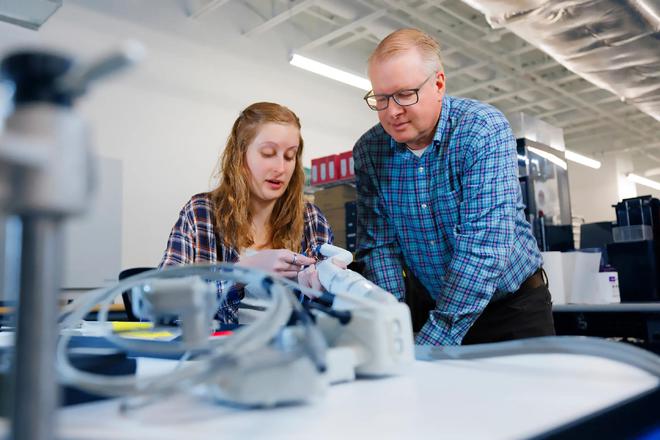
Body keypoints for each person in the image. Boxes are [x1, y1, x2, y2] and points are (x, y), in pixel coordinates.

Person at [353, 28, 554, 346]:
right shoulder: (370, 151)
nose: (392, 111)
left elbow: (483, 247)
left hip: (512, 310)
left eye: (405, 94)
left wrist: (430, 343)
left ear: (438, 84)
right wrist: (392, 325)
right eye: (381, 98)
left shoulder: (481, 130)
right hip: (435, 308)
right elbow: (379, 246)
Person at [159, 102, 333, 324]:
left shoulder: (312, 219)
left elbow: (327, 314)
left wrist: (332, 285)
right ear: (240, 157)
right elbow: (162, 303)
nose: (281, 168)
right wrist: (242, 272)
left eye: (290, 156)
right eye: (268, 153)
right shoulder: (201, 213)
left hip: (294, 351)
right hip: (221, 353)